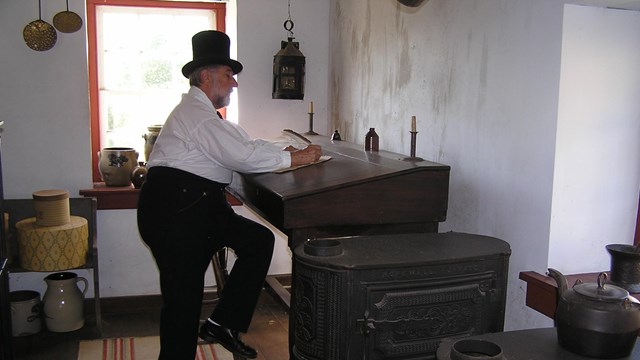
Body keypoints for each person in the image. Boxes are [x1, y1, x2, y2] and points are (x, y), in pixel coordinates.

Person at [137, 30, 322, 359]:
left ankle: (223, 322)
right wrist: (295, 158)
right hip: (177, 211)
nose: (234, 83)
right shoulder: (197, 116)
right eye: (228, 75)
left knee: (258, 241)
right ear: (206, 77)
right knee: (183, 302)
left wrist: (284, 152)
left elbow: (244, 146)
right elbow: (243, 156)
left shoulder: (206, 116)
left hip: (199, 205)